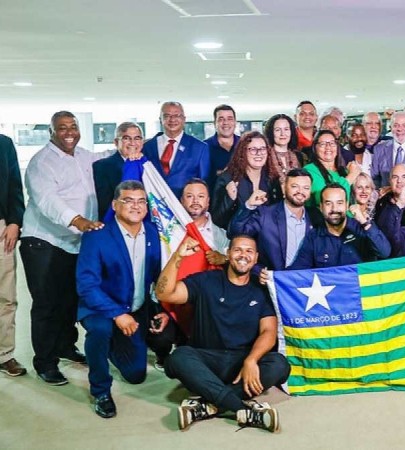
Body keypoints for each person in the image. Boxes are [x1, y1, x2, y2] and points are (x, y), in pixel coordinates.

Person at [156, 235, 290, 433]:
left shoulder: (261, 290)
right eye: (237, 250)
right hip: (207, 360)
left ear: (255, 258)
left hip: (241, 364)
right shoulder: (205, 280)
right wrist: (177, 256)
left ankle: (207, 404)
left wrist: (251, 360)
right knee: (178, 358)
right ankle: (241, 408)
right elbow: (164, 294)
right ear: (228, 254)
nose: (243, 255)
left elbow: (269, 331)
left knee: (280, 365)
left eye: (249, 251)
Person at [21, 111, 112, 385]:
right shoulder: (41, 163)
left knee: (70, 299)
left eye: (73, 127)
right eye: (62, 128)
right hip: (44, 242)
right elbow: (47, 201)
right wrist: (78, 220)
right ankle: (45, 362)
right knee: (47, 304)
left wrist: (128, 145)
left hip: (75, 243)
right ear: (51, 132)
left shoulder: (84, 156)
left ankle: (65, 346)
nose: (69, 132)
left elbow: (107, 157)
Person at [76, 181, 172, 418]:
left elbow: (156, 275)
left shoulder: (152, 232)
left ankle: (112, 346)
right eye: (128, 200)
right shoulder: (97, 237)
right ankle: (100, 391)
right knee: (100, 331)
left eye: (141, 201)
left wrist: (161, 307)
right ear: (115, 205)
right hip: (101, 308)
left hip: (135, 307)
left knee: (136, 374)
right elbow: (86, 285)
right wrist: (117, 314)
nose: (135, 206)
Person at [229, 168, 320, 273]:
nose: (300, 191)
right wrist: (249, 205)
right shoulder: (265, 215)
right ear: (283, 187)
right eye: (295, 186)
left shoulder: (316, 217)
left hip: (304, 284)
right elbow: (236, 233)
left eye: (306, 188)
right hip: (270, 283)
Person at [289, 184, 391, 269]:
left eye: (339, 203)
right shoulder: (313, 238)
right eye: (328, 203)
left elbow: (385, 252)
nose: (334, 209)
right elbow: (297, 272)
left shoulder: (362, 228)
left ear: (347, 205)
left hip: (359, 291)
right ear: (321, 207)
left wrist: (364, 222)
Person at [212, 131, 282, 229]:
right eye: (253, 149)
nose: (259, 153)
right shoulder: (227, 178)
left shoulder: (273, 179)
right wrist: (229, 199)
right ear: (243, 152)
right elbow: (217, 220)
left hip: (264, 236)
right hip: (235, 238)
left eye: (262, 149)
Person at [142, 101, 210, 198]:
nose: (172, 119)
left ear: (184, 119)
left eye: (177, 115)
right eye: (167, 116)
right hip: (155, 206)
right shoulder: (147, 147)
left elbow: (204, 183)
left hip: (185, 208)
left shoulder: (200, 147)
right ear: (160, 119)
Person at [0, 134, 26, 377]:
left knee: (5, 296)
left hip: (1, 228)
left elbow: (14, 186)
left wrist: (15, 222)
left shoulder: (4, 143)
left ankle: (4, 354)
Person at [93, 122, 144, 221]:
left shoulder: (148, 165)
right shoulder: (102, 166)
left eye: (137, 138)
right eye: (126, 138)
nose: (132, 143)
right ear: (116, 142)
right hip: (117, 224)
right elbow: (104, 205)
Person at [303, 130, 360, 208]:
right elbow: (326, 200)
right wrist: (350, 178)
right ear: (315, 148)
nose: (328, 147)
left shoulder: (345, 171)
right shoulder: (308, 171)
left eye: (332, 143)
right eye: (323, 144)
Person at [371, 112, 405, 188]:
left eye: (404, 125)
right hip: (385, 197)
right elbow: (374, 179)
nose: (399, 129)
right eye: (396, 125)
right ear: (390, 127)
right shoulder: (379, 149)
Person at [204, 104, 240, 192]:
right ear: (214, 123)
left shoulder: (246, 145)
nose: (226, 123)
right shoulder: (204, 147)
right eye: (221, 119)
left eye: (230, 119)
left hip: (243, 201)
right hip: (214, 201)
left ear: (235, 122)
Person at [374, 163, 405, 229]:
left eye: (404, 177)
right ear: (390, 181)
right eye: (395, 177)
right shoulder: (382, 201)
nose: (399, 181)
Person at [264, 113, 303, 183]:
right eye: (278, 130)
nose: (283, 134)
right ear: (271, 132)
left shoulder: (300, 156)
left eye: (286, 129)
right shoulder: (264, 156)